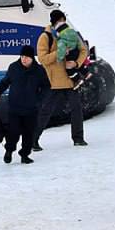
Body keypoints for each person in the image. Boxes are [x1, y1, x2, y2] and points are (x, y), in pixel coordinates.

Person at [35, 9, 88, 148]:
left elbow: (83, 50)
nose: (62, 23)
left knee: (76, 109)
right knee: (46, 111)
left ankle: (78, 138)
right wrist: (59, 52)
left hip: (71, 78)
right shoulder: (45, 37)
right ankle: (33, 140)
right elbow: (42, 59)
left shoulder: (70, 33)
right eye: (60, 21)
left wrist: (76, 63)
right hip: (54, 81)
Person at [0, 45, 50, 164]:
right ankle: (9, 151)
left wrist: (38, 100)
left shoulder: (39, 70)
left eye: (26, 57)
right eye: (22, 56)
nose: (24, 59)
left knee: (29, 133)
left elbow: (46, 87)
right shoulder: (14, 67)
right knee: (13, 132)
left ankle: (25, 154)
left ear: (32, 58)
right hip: (15, 107)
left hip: (31, 109)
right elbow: (4, 82)